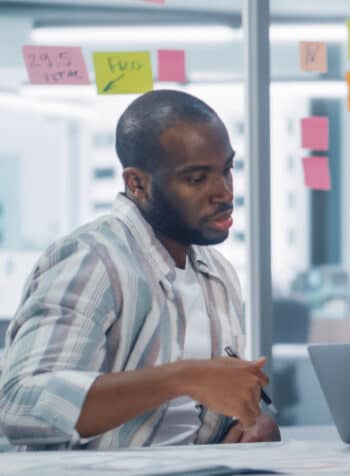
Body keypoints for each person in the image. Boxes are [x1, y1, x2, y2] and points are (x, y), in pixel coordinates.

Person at [0, 89, 278, 449]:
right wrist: (181, 377)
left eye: (227, 170)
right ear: (136, 183)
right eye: (196, 179)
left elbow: (205, 415)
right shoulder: (95, 261)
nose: (224, 193)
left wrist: (254, 428)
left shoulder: (218, 274)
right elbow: (19, 404)